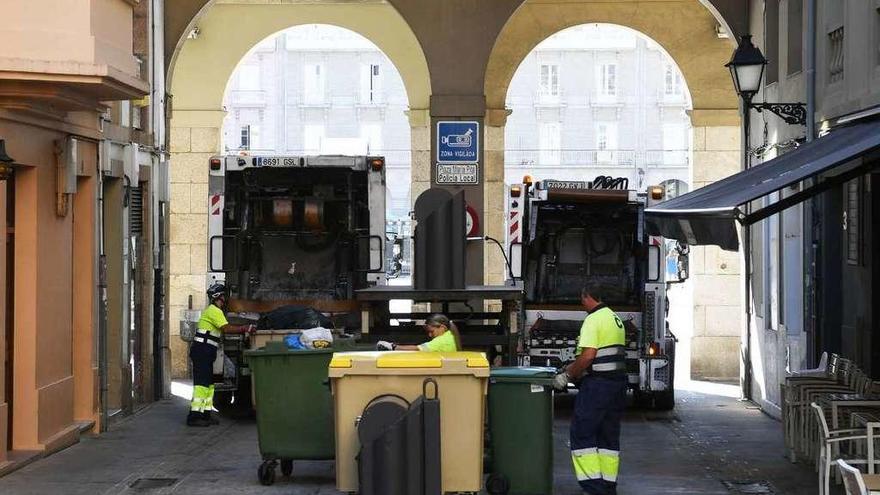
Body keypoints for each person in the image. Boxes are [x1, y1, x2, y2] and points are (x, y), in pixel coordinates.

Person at [553, 283, 627, 495]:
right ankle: (607, 485)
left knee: (582, 433)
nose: (581, 302)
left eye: (581, 298)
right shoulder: (615, 318)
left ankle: (593, 487)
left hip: (598, 386)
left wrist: (567, 375)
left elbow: (588, 356)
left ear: (587, 297)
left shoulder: (593, 320)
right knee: (608, 436)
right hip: (616, 385)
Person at [187, 283, 255, 427]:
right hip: (202, 351)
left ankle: (205, 415)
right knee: (201, 385)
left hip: (206, 351)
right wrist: (245, 328)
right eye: (224, 296)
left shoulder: (215, 311)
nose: (226, 299)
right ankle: (194, 417)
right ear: (219, 297)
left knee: (209, 385)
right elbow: (226, 328)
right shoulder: (214, 311)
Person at [376, 314, 461, 352]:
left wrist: (393, 347)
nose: (430, 335)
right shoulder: (450, 336)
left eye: (432, 331)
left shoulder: (441, 341)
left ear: (442, 327)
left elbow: (416, 349)